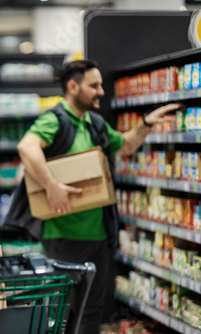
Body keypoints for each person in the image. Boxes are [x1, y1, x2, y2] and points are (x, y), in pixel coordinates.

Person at [17, 59, 180, 334]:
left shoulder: (95, 123)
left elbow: (126, 145)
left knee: (91, 313)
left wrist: (146, 123)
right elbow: (27, 146)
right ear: (73, 86)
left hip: (99, 239)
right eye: (94, 85)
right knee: (67, 313)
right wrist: (52, 185)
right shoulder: (55, 120)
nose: (101, 91)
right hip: (64, 237)